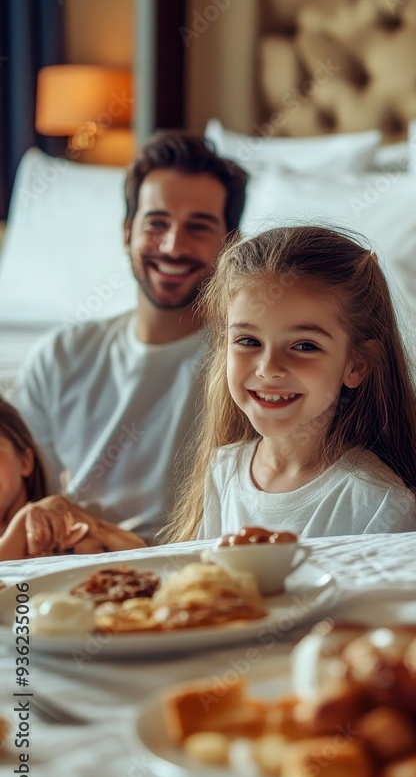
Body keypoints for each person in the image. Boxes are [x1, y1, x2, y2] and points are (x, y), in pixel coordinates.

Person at [16, 133, 248, 545]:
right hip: (73, 570)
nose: (174, 246)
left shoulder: (250, 364)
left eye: (198, 227)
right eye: (157, 223)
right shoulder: (58, 357)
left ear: (231, 243)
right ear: (127, 231)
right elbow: (29, 505)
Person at [168, 225, 416, 542]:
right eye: (249, 340)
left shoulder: (376, 503)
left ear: (357, 364)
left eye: (305, 346)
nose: (269, 369)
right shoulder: (224, 468)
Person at [0, 397, 145, 559]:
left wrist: (98, 529)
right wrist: (20, 529)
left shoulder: (77, 520)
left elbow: (150, 562)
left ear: (25, 462)